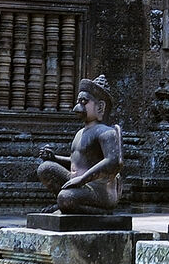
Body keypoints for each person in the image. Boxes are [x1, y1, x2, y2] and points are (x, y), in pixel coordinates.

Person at [36, 76, 124, 215]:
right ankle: (65, 205)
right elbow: (78, 162)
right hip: (79, 184)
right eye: (78, 101)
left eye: (84, 102)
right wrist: (55, 158)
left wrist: (83, 179)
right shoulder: (80, 133)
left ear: (100, 107)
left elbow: (114, 162)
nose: (78, 107)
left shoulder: (106, 132)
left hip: (99, 189)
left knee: (65, 197)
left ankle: (100, 211)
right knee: (45, 168)